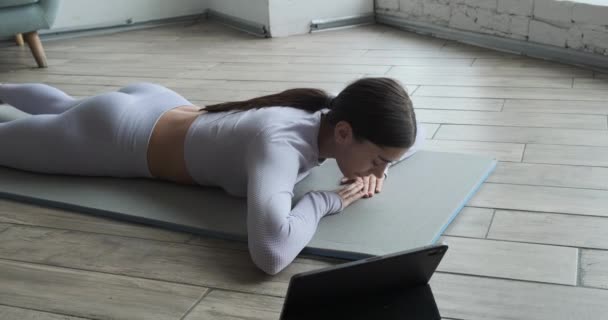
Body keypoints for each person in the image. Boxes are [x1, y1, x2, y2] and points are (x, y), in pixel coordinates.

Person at [0, 77, 423, 274]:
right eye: (379, 160)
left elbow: (403, 144)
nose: (381, 169)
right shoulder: (280, 147)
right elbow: (271, 254)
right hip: (112, 136)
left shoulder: (327, 111)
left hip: (155, 101)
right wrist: (326, 200)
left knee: (62, 108)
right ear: (346, 134)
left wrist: (377, 173)